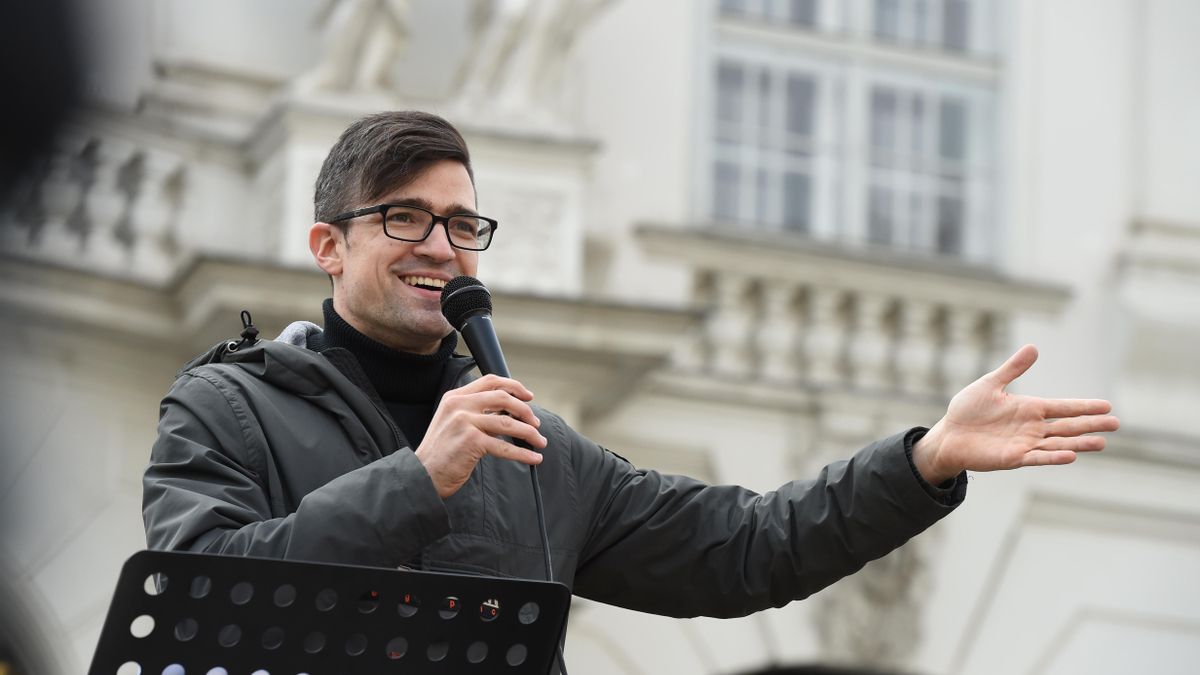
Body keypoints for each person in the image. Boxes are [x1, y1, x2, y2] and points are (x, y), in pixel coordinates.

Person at [142, 110, 1119, 620]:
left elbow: (745, 548)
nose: (440, 246)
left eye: (462, 223)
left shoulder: (535, 453)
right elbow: (196, 585)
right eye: (403, 217)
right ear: (329, 245)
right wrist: (416, 480)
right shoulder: (228, 408)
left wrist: (922, 462)